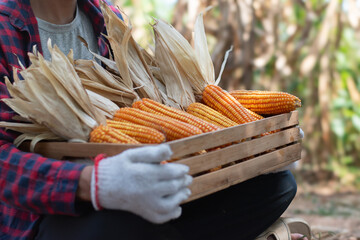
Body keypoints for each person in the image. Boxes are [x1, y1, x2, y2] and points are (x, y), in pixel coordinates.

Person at [0, 0, 307, 240]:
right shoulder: (5, 28)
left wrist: (252, 148)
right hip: (43, 213)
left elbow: (149, 112)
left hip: (130, 193)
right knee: (124, 225)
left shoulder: (107, 17)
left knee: (276, 186)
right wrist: (93, 184)